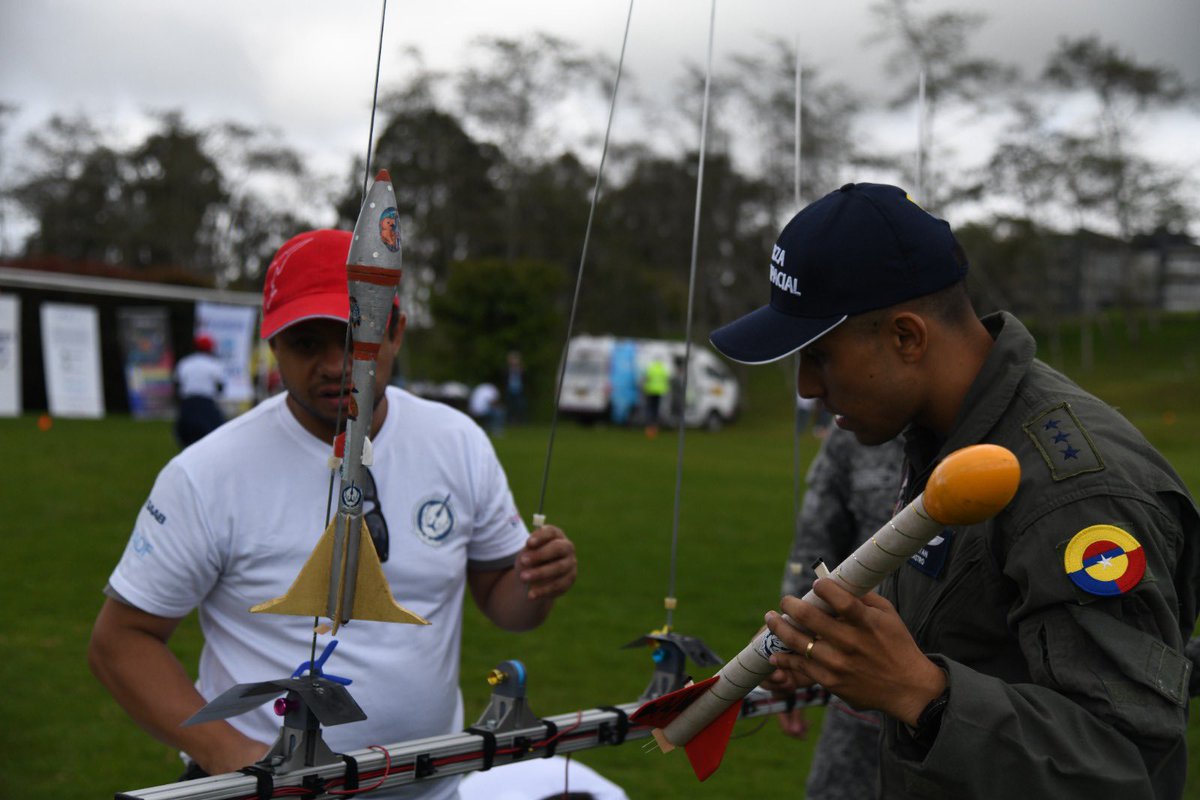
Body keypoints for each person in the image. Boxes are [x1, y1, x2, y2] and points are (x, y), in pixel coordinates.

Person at [710, 183, 1200, 799]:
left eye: (819, 356)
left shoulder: (1075, 492)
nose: (806, 387)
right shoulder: (951, 437)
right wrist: (844, 658)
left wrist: (921, 692)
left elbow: (1126, 766)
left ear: (907, 338)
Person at [88, 229, 578, 800]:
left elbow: (505, 602)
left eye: (356, 335)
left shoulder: (457, 441)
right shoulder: (207, 472)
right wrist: (230, 754)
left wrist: (537, 581)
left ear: (395, 331)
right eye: (305, 343)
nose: (334, 364)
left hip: (430, 791)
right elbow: (121, 641)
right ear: (273, 346)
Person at [778, 426, 905, 800]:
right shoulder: (851, 432)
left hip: (969, 719)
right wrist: (789, 646)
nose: (810, 396)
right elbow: (814, 545)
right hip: (859, 710)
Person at [173, 333, 225, 447]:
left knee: (186, 437)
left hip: (188, 403)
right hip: (206, 403)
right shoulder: (214, 364)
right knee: (213, 436)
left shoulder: (185, 362)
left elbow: (177, 384)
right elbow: (220, 387)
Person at [640, 355, 668, 439]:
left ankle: (649, 427)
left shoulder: (651, 368)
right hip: (659, 391)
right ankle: (655, 427)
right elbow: (665, 379)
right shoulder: (662, 369)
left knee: (650, 409)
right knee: (656, 409)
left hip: (651, 391)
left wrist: (645, 388)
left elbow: (647, 378)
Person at [505, 351, 526, 425]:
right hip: (510, 390)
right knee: (510, 406)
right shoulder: (507, 370)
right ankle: (511, 420)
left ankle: (519, 420)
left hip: (519, 390)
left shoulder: (520, 369)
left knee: (519, 406)